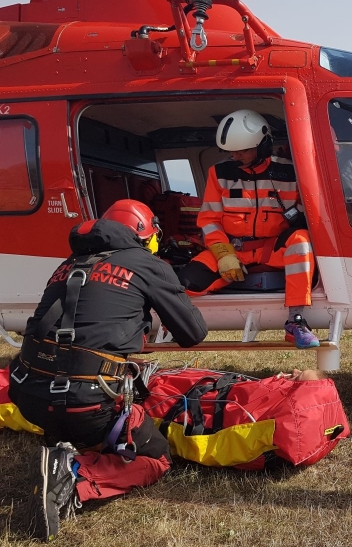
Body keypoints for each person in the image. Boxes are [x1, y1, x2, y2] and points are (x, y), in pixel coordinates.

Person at [7, 199, 208, 542]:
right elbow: (193, 333)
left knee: (80, 415)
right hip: (85, 402)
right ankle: (74, 476)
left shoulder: (68, 264)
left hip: (29, 394)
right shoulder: (147, 263)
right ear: (146, 234)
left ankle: (67, 444)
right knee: (155, 456)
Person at [178, 109, 319, 348]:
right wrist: (224, 254)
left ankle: (296, 321)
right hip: (231, 249)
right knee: (182, 283)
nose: (235, 155)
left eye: (242, 150)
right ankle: (175, 325)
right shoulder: (219, 173)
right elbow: (209, 219)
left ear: (263, 145)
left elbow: (310, 214)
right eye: (231, 151)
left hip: (272, 248)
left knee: (301, 240)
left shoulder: (291, 171)